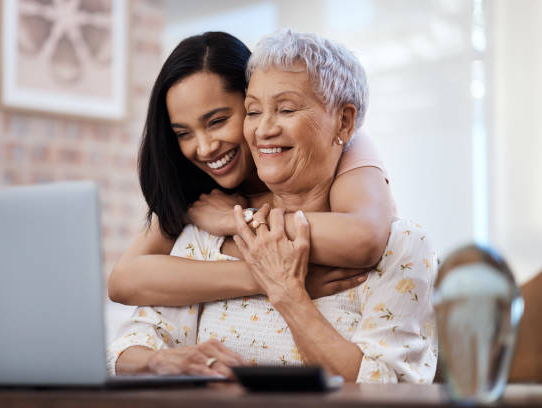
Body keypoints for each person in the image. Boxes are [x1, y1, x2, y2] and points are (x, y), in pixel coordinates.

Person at [107, 30, 437, 383]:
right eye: (254, 111)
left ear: (343, 121)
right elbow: (127, 315)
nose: (204, 148)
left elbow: (386, 386)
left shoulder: (395, 236)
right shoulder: (204, 223)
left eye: (286, 109)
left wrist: (283, 285)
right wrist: (261, 274)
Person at [108, 31, 395, 308]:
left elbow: (363, 238)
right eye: (184, 133)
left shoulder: (340, 141)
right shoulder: (196, 185)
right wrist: (270, 277)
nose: (205, 148)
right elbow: (124, 280)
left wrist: (240, 220)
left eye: (217, 121)